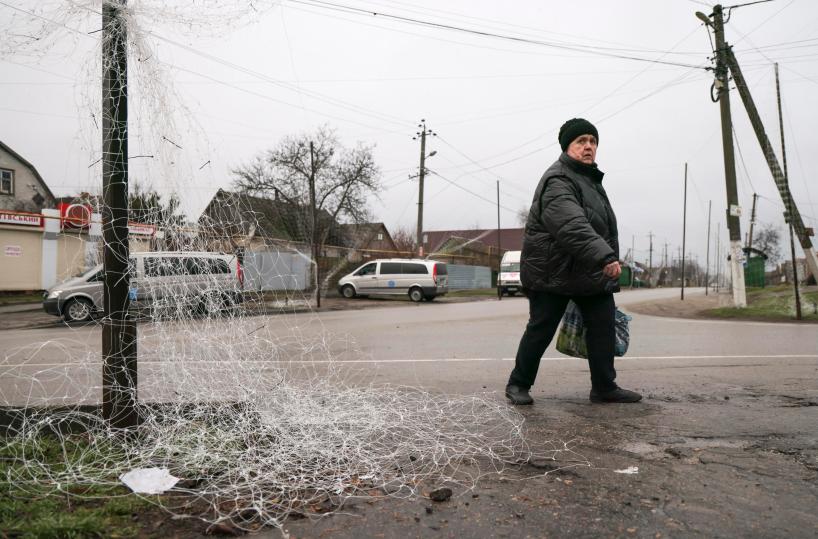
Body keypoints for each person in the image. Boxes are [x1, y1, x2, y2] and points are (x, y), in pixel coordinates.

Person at [505, 118, 642, 405]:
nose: (588, 146)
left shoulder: (589, 180)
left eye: (592, 141)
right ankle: (518, 384)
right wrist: (604, 256)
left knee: (602, 327)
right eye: (581, 141)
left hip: (587, 271)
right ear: (568, 146)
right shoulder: (558, 179)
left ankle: (604, 387)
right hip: (552, 270)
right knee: (541, 328)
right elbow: (571, 224)